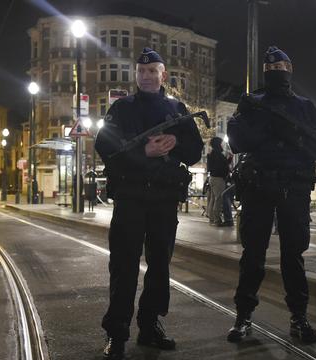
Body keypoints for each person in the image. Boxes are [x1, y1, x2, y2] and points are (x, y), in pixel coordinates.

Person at [94, 47, 203, 359]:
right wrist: (143, 153)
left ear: (163, 75)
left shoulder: (178, 109)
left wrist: (176, 143)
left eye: (153, 71)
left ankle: (150, 325)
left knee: (159, 266)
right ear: (136, 75)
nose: (147, 76)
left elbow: (195, 150)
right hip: (130, 198)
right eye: (142, 72)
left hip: (163, 200)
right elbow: (106, 145)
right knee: (123, 266)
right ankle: (117, 334)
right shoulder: (121, 108)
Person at [226, 46, 316, 344]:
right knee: (252, 256)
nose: (275, 72)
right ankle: (243, 316)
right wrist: (264, 124)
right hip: (258, 187)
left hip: (294, 188)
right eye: (270, 69)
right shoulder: (252, 104)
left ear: (290, 68)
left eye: (280, 67)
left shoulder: (305, 107)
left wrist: (290, 133)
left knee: (293, 256)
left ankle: (299, 317)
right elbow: (237, 141)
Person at [207, 137, 230, 225]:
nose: (222, 145)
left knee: (213, 199)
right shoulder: (218, 154)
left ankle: (211, 218)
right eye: (221, 143)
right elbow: (221, 167)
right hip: (218, 179)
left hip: (212, 178)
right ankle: (217, 219)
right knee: (218, 198)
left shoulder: (211, 154)